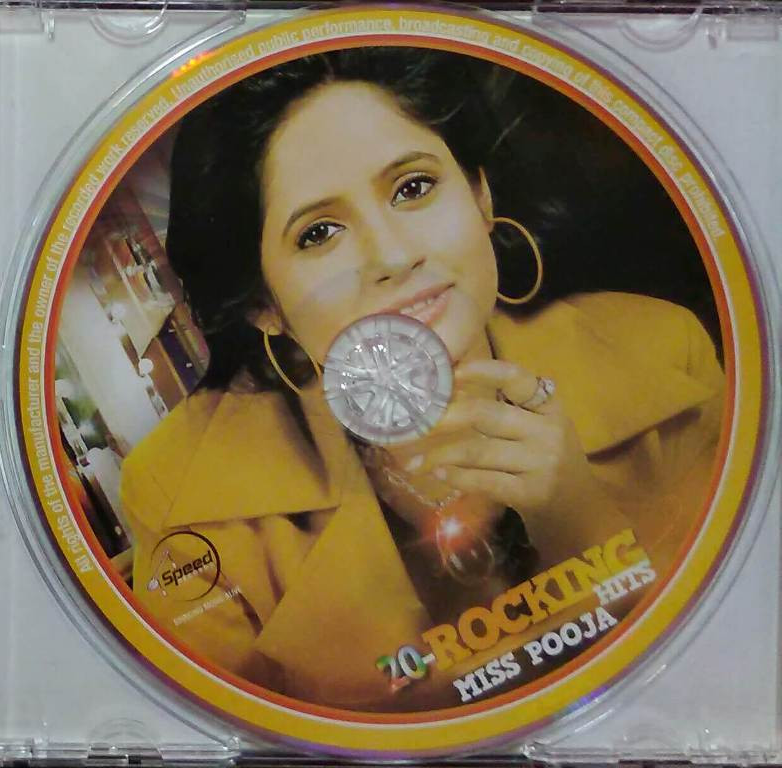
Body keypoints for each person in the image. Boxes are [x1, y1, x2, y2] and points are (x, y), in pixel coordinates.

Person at [119, 47, 724, 711]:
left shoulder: (665, 351)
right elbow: (234, 732)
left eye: (413, 188)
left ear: (480, 195)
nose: (392, 255)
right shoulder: (177, 491)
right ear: (265, 303)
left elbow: (711, 674)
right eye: (319, 233)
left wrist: (582, 526)